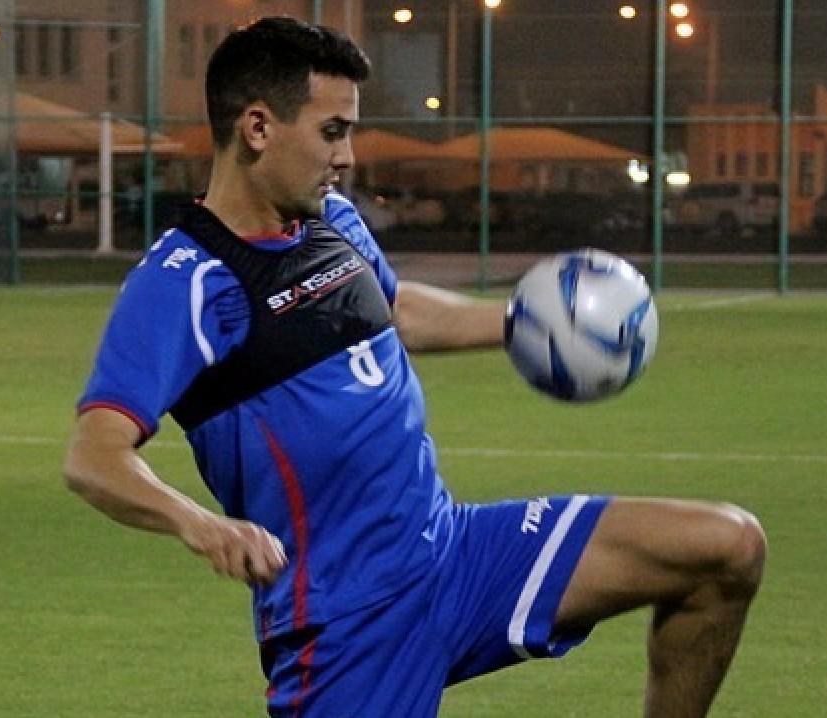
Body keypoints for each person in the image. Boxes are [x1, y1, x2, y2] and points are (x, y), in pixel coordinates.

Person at [63, 16, 766, 718]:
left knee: (725, 549)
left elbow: (395, 312)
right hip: (346, 623)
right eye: (332, 131)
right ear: (257, 128)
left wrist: (537, 324)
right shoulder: (184, 282)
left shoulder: (333, 223)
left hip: (455, 556)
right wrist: (201, 525)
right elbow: (94, 456)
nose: (347, 156)